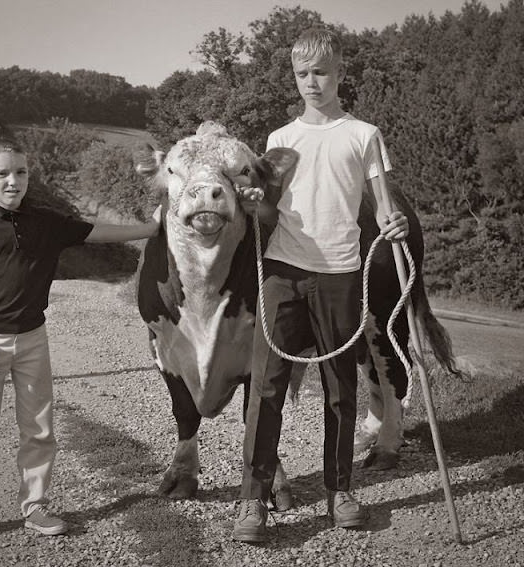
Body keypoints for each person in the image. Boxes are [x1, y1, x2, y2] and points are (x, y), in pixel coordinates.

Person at [233, 27, 409, 543]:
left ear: (340, 74)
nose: (312, 83)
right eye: (302, 74)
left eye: (321, 72)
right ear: (295, 77)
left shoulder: (364, 135)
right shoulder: (279, 139)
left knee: (339, 386)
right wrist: (252, 202)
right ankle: (252, 498)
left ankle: (340, 491)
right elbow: (269, 211)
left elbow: (384, 206)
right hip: (283, 271)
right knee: (266, 387)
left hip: (339, 274)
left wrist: (394, 223)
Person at [0, 139, 161, 544]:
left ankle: (36, 505)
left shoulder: (47, 222)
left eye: (21, 172)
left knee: (39, 428)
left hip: (32, 339)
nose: (13, 181)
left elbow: (98, 232)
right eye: (3, 173)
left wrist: (150, 227)